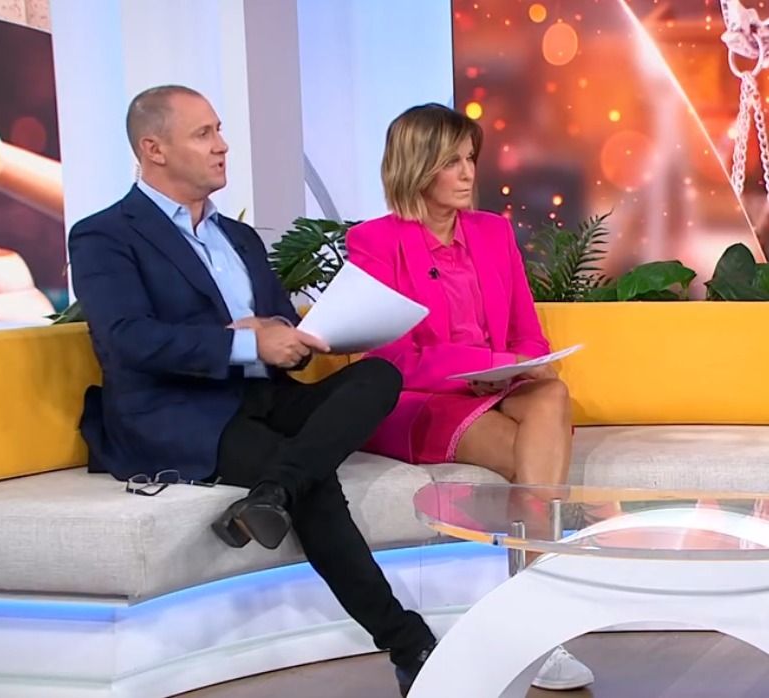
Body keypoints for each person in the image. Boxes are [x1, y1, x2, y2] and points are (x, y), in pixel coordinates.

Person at [68, 85, 436, 697]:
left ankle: (272, 494)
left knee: (379, 376)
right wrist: (244, 342)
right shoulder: (105, 234)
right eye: (204, 133)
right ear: (154, 149)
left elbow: (275, 322)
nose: (223, 145)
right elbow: (127, 340)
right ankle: (411, 645)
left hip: (262, 396)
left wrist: (300, 336)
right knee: (315, 480)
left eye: (219, 130)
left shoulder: (237, 238)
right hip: (177, 413)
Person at [346, 103, 594, 691]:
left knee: (551, 393)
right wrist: (476, 368)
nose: (467, 173)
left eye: (469, 159)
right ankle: (540, 619)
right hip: (422, 399)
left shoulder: (491, 232)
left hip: (499, 385)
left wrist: (517, 365)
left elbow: (528, 333)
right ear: (417, 166)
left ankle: (529, 611)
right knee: (532, 453)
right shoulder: (373, 242)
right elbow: (389, 358)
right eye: (452, 162)